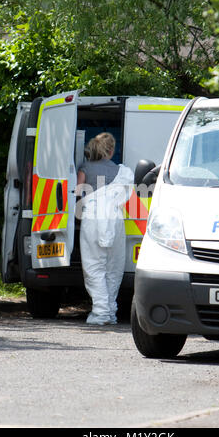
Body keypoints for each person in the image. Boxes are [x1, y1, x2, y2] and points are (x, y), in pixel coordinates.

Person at [77, 132, 134, 325]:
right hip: (115, 221)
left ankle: (100, 313)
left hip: (93, 219)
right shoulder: (120, 171)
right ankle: (110, 312)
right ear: (110, 151)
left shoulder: (85, 168)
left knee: (94, 266)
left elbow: (77, 193)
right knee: (113, 268)